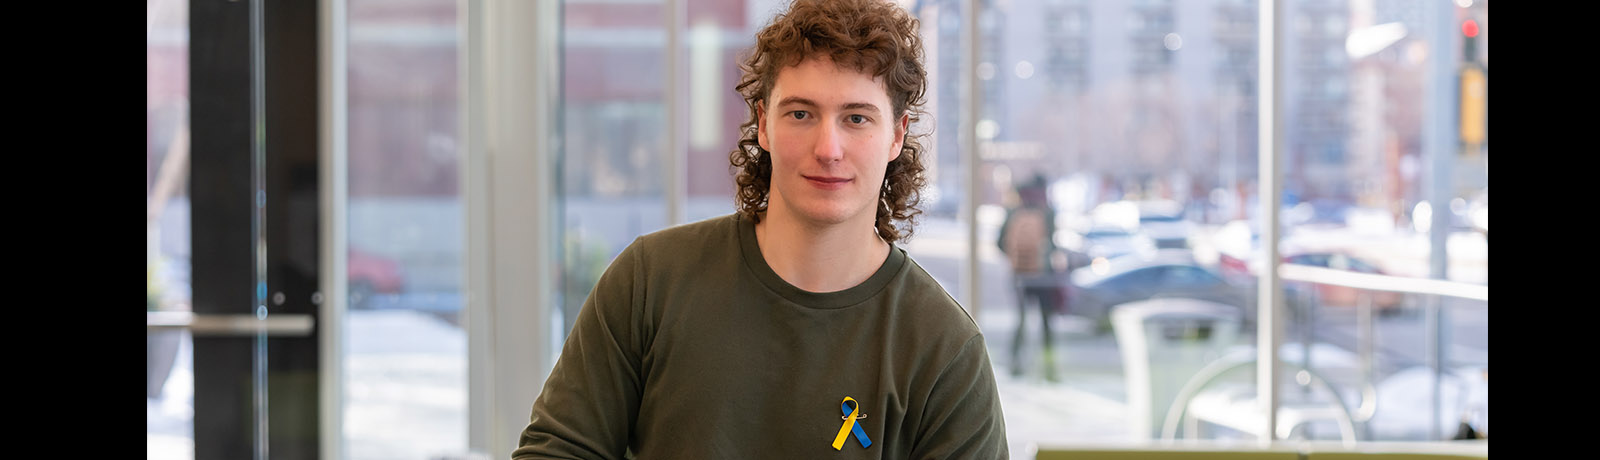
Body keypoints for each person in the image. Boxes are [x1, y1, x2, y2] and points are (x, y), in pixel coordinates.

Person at [513, 0, 1009, 458]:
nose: (828, 148)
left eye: (857, 118)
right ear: (764, 125)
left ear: (897, 136)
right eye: (800, 113)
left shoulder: (944, 349)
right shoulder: (650, 281)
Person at [996, 174, 1063, 381]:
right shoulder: (1047, 212)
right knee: (1046, 323)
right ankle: (1050, 370)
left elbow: (999, 242)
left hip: (1019, 276)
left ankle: (1015, 365)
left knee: (1020, 320)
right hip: (1043, 274)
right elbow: (1051, 243)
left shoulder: (1013, 211)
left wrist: (1017, 259)